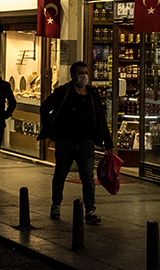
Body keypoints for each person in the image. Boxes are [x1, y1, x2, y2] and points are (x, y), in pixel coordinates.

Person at [39, 61, 113, 225]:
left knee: (87, 177)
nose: (84, 76)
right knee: (60, 174)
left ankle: (90, 210)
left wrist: (107, 142)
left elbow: (101, 118)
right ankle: (56, 205)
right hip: (65, 142)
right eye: (80, 73)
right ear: (73, 75)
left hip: (86, 143)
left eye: (86, 72)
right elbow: (45, 107)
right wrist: (51, 131)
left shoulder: (92, 95)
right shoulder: (64, 92)